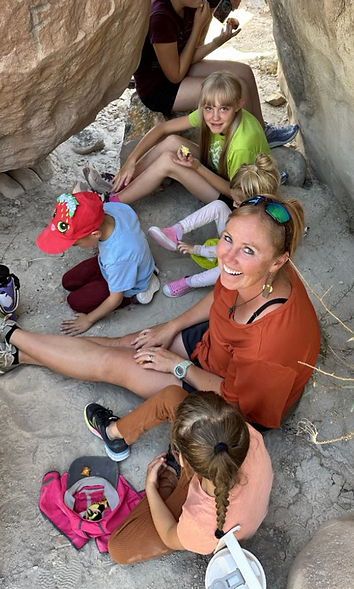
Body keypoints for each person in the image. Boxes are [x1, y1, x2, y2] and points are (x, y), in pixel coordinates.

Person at [0, 195, 320, 430]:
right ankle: (19, 356)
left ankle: (12, 335)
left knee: (113, 364)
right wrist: (170, 326)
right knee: (127, 343)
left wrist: (178, 366)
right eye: (227, 239)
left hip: (236, 402)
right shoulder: (252, 274)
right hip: (217, 351)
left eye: (248, 250)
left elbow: (237, 399)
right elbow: (218, 300)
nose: (228, 256)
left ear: (278, 261)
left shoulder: (270, 340)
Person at [133, 0, 298, 149]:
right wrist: (199, 27)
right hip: (160, 87)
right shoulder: (160, 18)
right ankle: (252, 155)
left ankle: (261, 133)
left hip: (177, 69)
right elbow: (175, 75)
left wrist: (219, 41)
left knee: (244, 72)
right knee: (234, 91)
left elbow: (185, 57)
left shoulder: (188, 2)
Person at [86, 391, 273, 562]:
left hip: (208, 509)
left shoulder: (200, 522)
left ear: (183, 460)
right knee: (173, 399)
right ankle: (116, 433)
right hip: (221, 486)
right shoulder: (246, 434)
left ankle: (168, 478)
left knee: (119, 548)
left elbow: (169, 535)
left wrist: (151, 489)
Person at [108, 71, 271, 204]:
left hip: (233, 198)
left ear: (238, 104)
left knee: (167, 161)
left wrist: (197, 167)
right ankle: (122, 182)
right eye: (209, 108)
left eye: (223, 109)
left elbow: (236, 193)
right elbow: (163, 128)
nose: (214, 117)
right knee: (172, 141)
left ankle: (113, 202)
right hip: (219, 166)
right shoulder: (212, 113)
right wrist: (131, 160)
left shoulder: (241, 145)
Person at [148, 153, 281, 297]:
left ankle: (190, 282)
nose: (234, 204)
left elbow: (226, 250)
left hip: (243, 262)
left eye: (238, 202)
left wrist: (196, 249)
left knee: (223, 269)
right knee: (219, 206)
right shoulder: (260, 208)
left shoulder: (256, 229)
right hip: (237, 240)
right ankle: (176, 230)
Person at [36, 192, 159, 336]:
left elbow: (115, 299)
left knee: (75, 302)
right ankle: (113, 280)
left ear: (95, 234)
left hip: (128, 276)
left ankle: (137, 295)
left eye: (76, 244)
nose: (74, 246)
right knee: (68, 281)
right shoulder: (111, 209)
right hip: (118, 262)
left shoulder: (117, 258)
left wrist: (88, 320)